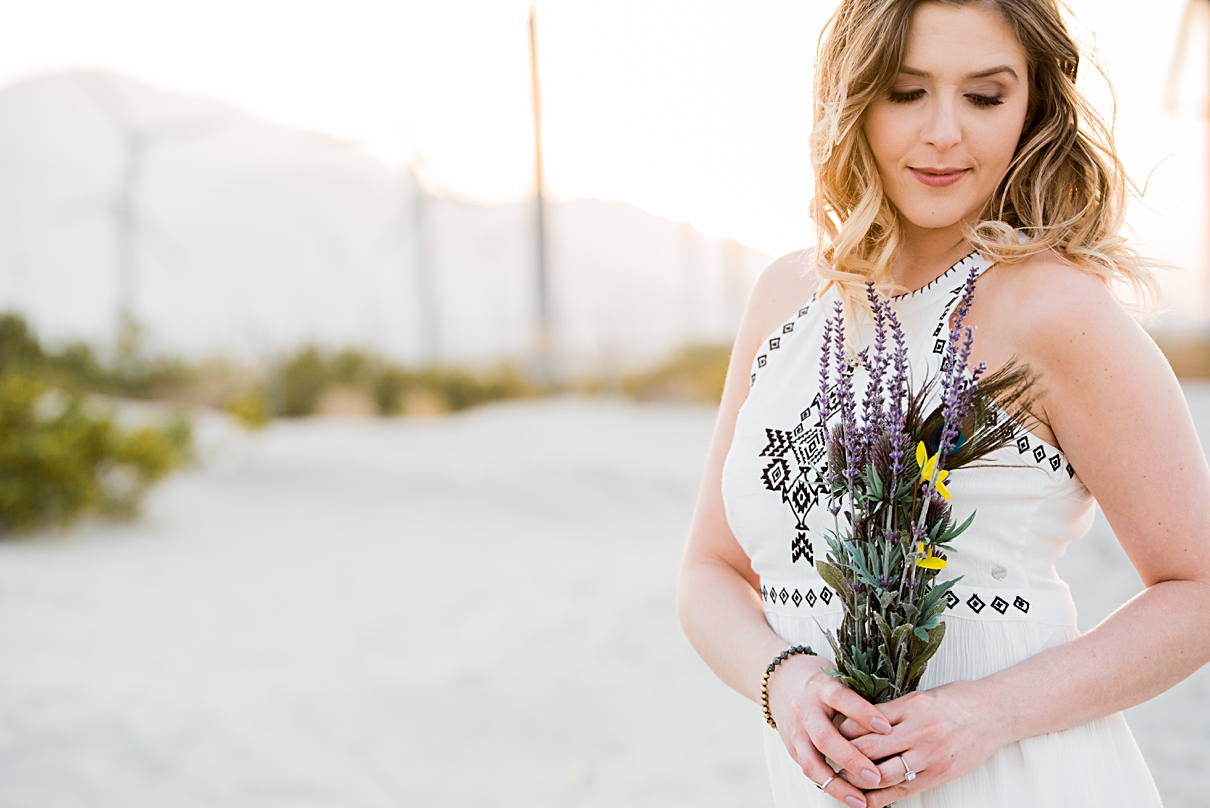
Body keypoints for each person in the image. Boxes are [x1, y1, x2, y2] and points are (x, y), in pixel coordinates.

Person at [675, 1, 1210, 807]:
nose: (944, 132)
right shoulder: (786, 297)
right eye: (906, 91)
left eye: (985, 97)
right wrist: (782, 683)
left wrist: (984, 715)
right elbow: (709, 572)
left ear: (1033, 108)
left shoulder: (1058, 312)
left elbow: (1197, 590)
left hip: (1022, 783)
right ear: (855, 96)